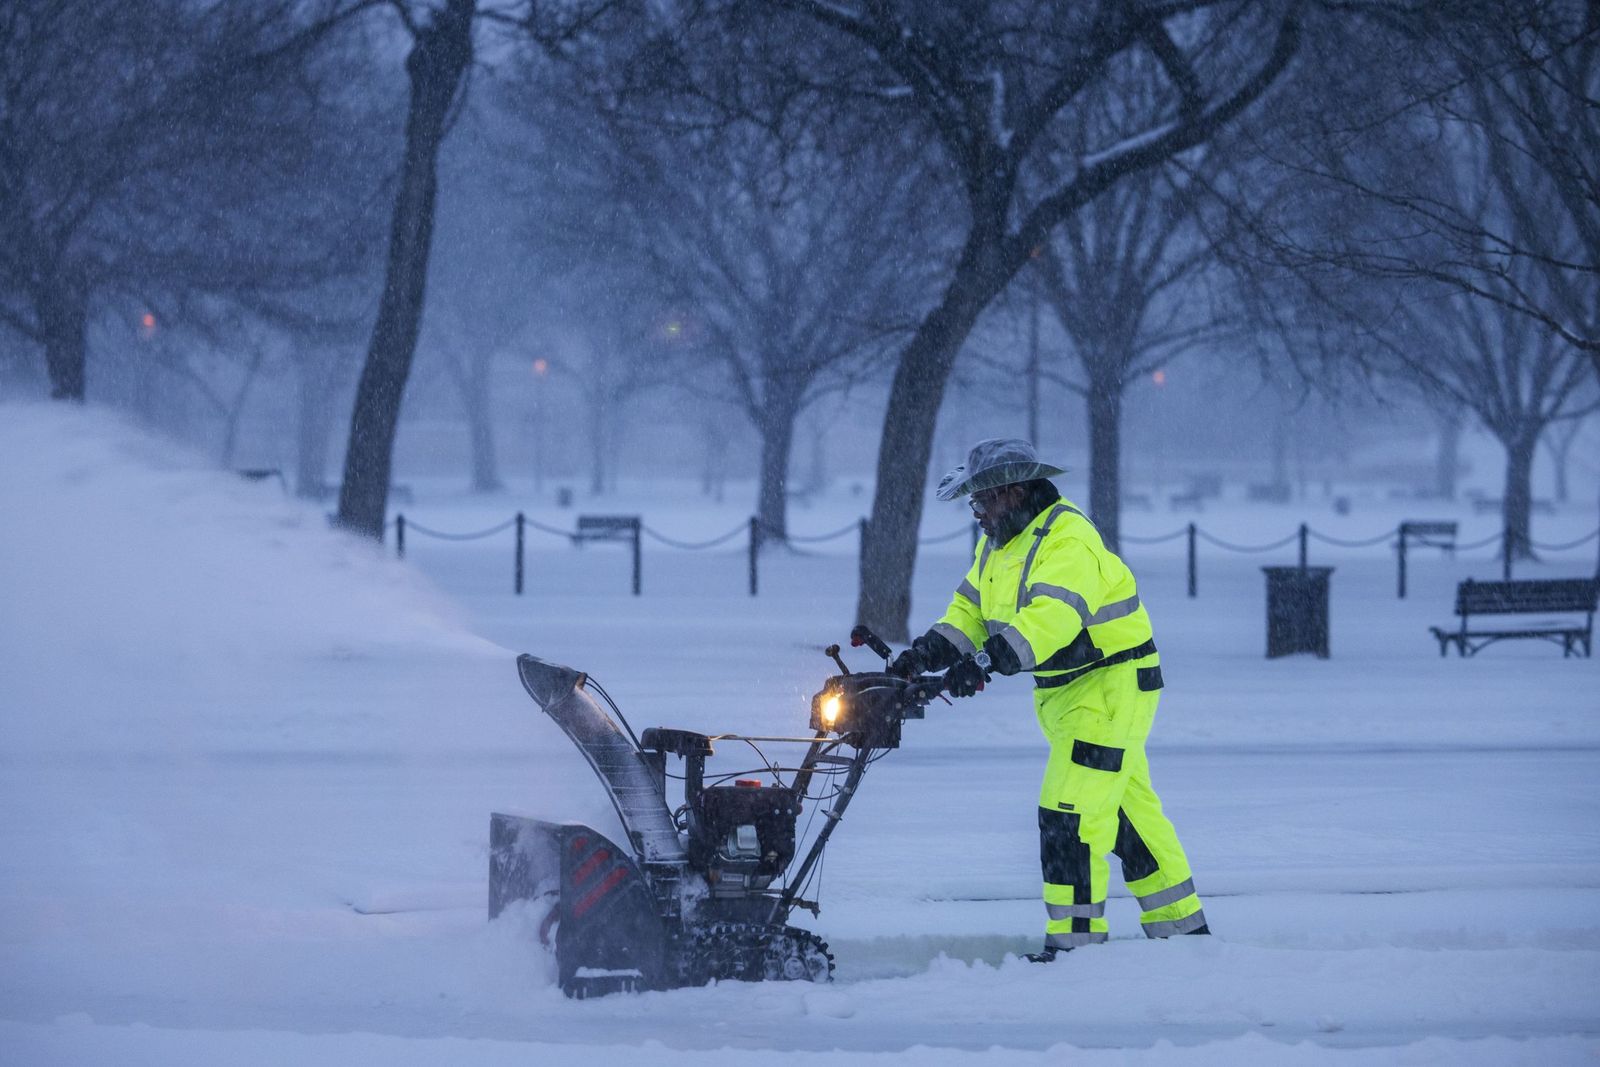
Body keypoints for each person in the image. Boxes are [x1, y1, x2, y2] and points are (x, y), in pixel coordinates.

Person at [891, 438, 1208, 961]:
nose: (977, 514)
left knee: (1069, 817)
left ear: (1013, 492)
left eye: (982, 502)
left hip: (1108, 690)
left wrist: (987, 664)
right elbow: (971, 609)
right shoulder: (1000, 543)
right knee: (1129, 818)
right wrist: (924, 654)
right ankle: (1184, 935)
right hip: (1070, 695)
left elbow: (1051, 619)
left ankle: (1075, 948)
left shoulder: (1069, 540)